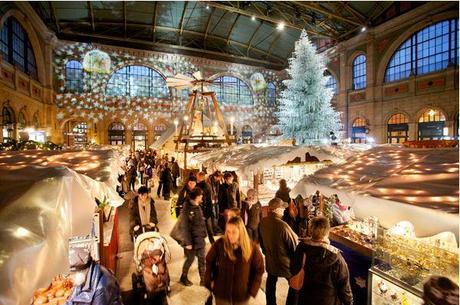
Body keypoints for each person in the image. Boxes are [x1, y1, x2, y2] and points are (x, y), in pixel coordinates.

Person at [290, 216, 353, 305]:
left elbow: (293, 269)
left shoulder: (301, 248)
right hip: (327, 300)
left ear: (310, 230)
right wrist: (349, 302)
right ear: (327, 232)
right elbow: (344, 286)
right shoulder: (336, 256)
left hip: (305, 297)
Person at [205, 216, 265, 305]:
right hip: (222, 295)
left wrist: (252, 288)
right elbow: (209, 260)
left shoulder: (252, 248)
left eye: (234, 232)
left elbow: (259, 269)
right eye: (228, 232)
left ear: (241, 232)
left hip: (241, 296)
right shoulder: (220, 244)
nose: (230, 235)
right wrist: (210, 279)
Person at [259, 198, 298, 305]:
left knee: (271, 283)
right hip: (285, 264)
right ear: (275, 210)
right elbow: (294, 247)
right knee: (295, 284)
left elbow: (261, 243)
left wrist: (267, 253)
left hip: (271, 261)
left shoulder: (263, 222)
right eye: (281, 208)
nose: (284, 210)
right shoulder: (283, 226)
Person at [179, 188, 207, 286]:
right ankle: (183, 277)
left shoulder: (197, 206)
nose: (202, 197)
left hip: (199, 239)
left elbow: (201, 222)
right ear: (197, 197)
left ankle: (203, 279)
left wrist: (204, 233)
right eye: (201, 195)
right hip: (191, 241)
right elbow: (184, 226)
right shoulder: (187, 208)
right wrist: (188, 243)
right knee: (190, 259)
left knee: (202, 259)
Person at [196, 172, 215, 244]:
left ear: (201, 177)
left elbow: (205, 200)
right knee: (208, 229)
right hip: (207, 210)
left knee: (201, 228)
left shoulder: (200, 186)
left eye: (197, 176)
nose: (196, 177)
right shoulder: (208, 185)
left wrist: (204, 213)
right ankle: (212, 242)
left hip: (203, 211)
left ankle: (202, 243)